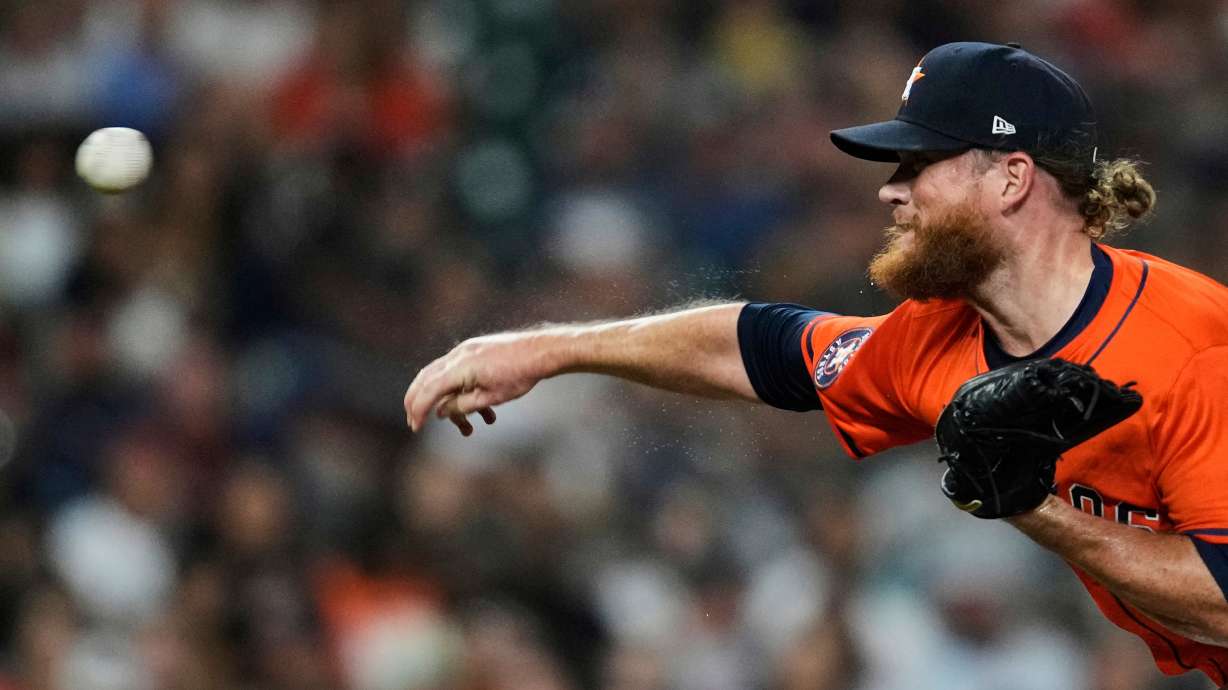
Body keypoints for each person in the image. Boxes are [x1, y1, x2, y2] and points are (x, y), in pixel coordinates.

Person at [404, 42, 1228, 683]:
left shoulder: (1194, 347)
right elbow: (758, 346)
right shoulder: (935, 339)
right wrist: (548, 349)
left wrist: (1033, 508)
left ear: (1012, 178)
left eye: (919, 163)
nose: (890, 190)